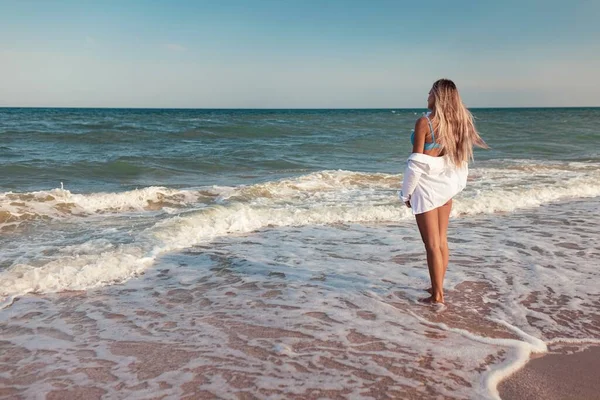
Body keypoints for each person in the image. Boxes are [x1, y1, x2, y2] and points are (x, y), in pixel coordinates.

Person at [399, 79, 487, 305]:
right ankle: (437, 286)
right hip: (445, 189)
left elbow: (416, 163)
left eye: (430, 92)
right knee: (441, 242)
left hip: (426, 189)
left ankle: (437, 296)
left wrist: (405, 194)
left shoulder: (425, 122)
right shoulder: (459, 123)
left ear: (437, 97)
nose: (427, 96)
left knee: (431, 245)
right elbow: (457, 161)